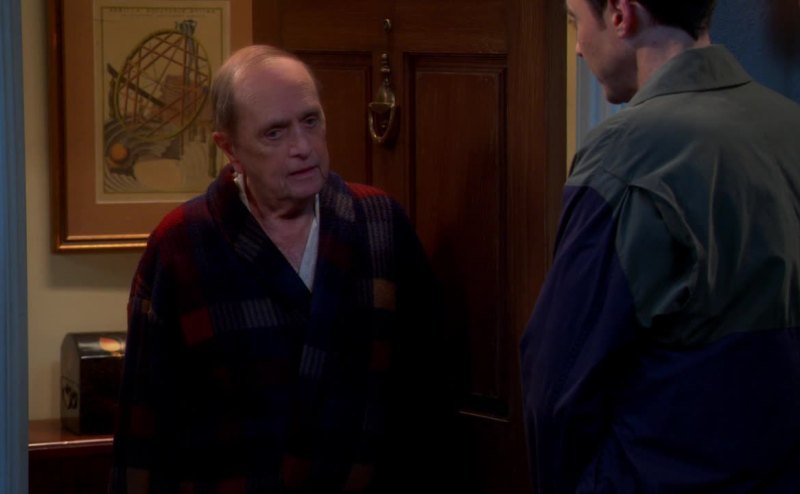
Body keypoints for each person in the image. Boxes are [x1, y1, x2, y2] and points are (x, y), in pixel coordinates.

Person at [110, 45, 451, 493]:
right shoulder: (181, 245)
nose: (303, 148)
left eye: (311, 121)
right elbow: (144, 426)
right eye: (275, 133)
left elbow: (428, 393)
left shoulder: (378, 223)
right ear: (229, 148)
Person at [520, 0, 800, 492]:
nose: (578, 48)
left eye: (575, 22)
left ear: (621, 14)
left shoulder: (627, 155)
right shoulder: (789, 127)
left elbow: (558, 388)